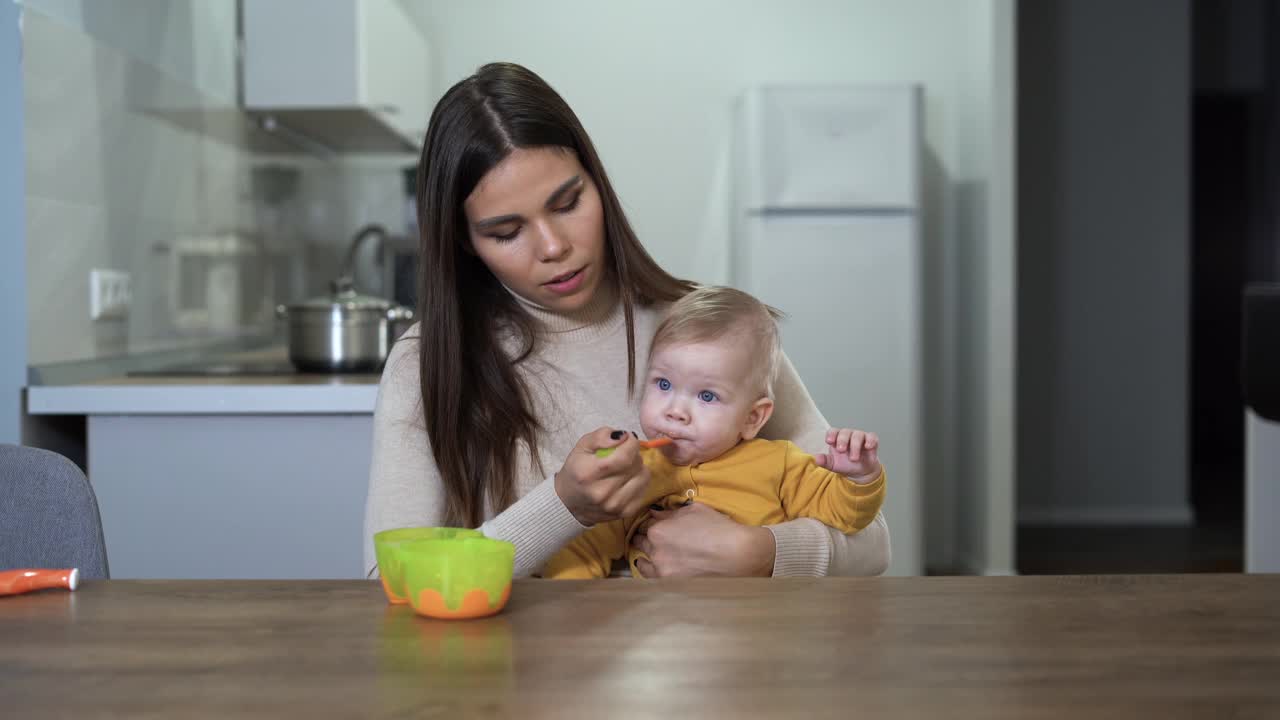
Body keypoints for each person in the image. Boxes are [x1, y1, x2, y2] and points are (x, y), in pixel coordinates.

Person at [363, 62, 890, 580]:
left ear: (599, 183)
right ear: (465, 242)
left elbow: (871, 544)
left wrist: (761, 553)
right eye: (506, 232)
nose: (554, 247)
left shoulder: (710, 330)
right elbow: (388, 584)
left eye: (568, 203)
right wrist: (563, 507)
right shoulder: (426, 362)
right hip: (522, 668)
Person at [542, 286, 886, 579]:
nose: (675, 411)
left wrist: (858, 477)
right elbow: (585, 547)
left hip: (764, 628)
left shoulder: (780, 463)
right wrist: (571, 601)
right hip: (659, 635)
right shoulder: (634, 473)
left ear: (753, 418)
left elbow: (846, 516)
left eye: (706, 396)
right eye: (663, 384)